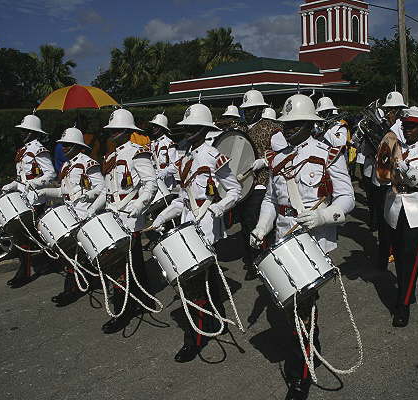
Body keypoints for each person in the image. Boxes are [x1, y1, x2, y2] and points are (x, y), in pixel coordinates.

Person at [250, 94, 354, 400]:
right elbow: (271, 199)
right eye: (287, 124)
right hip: (284, 237)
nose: (290, 129)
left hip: (313, 240)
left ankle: (300, 373)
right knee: (294, 306)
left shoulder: (328, 154)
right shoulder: (278, 158)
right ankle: (310, 345)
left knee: (301, 305)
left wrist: (323, 215)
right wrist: (260, 227)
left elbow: (347, 198)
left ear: (310, 124)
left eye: (296, 124)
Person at [151, 103, 242, 363]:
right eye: (186, 127)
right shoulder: (183, 158)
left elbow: (234, 190)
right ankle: (218, 317)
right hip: (187, 223)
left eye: (193, 128)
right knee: (206, 276)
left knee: (192, 282)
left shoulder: (214, 156)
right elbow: (181, 199)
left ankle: (195, 338)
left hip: (207, 225)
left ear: (204, 129)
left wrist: (219, 207)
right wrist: (162, 216)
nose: (188, 131)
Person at [87, 109, 158, 334]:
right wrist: (94, 207)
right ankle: (143, 298)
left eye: (117, 130)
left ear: (128, 131)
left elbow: (151, 183)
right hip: (112, 217)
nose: (113, 134)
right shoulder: (110, 157)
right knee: (130, 263)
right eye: (111, 130)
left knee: (123, 265)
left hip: (130, 217)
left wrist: (141, 204)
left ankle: (123, 310)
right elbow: (108, 192)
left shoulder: (138, 153)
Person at [382, 108, 418, 327]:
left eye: (413, 127)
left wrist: (406, 168)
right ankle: (408, 287)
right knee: (399, 253)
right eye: (406, 126)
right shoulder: (393, 148)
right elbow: (382, 178)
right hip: (395, 206)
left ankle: (403, 304)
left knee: (411, 253)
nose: (408, 130)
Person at [37, 127, 105, 306]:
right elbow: (64, 191)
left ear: (77, 146)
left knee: (77, 254)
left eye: (67, 145)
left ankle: (73, 289)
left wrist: (88, 196)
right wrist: (46, 192)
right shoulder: (67, 166)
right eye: (62, 145)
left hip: (84, 214)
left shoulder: (87, 164)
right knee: (70, 254)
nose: (63, 148)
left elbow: (101, 188)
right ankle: (75, 286)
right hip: (69, 215)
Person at [2, 114, 56, 288]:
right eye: (23, 130)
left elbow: (50, 174)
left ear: (34, 132)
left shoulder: (39, 150)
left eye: (27, 130)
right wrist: (12, 185)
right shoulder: (23, 150)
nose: (23, 133)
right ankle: (28, 269)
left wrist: (31, 183)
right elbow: (21, 177)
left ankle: (26, 271)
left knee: (30, 235)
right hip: (23, 199)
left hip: (36, 199)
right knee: (24, 236)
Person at [238, 89, 280, 280]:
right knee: (246, 224)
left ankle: (263, 260)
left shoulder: (272, 128)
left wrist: (264, 161)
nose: (247, 113)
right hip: (244, 184)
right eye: (245, 110)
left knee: (258, 222)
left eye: (251, 109)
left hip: (263, 182)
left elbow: (282, 154)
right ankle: (253, 259)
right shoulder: (241, 130)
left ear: (259, 109)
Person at [375, 92, 408, 270]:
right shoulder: (388, 128)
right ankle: (383, 256)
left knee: (393, 224)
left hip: (396, 182)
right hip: (384, 180)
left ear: (398, 111)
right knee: (384, 223)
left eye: (390, 111)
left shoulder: (402, 129)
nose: (387, 114)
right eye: (386, 111)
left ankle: (390, 255)